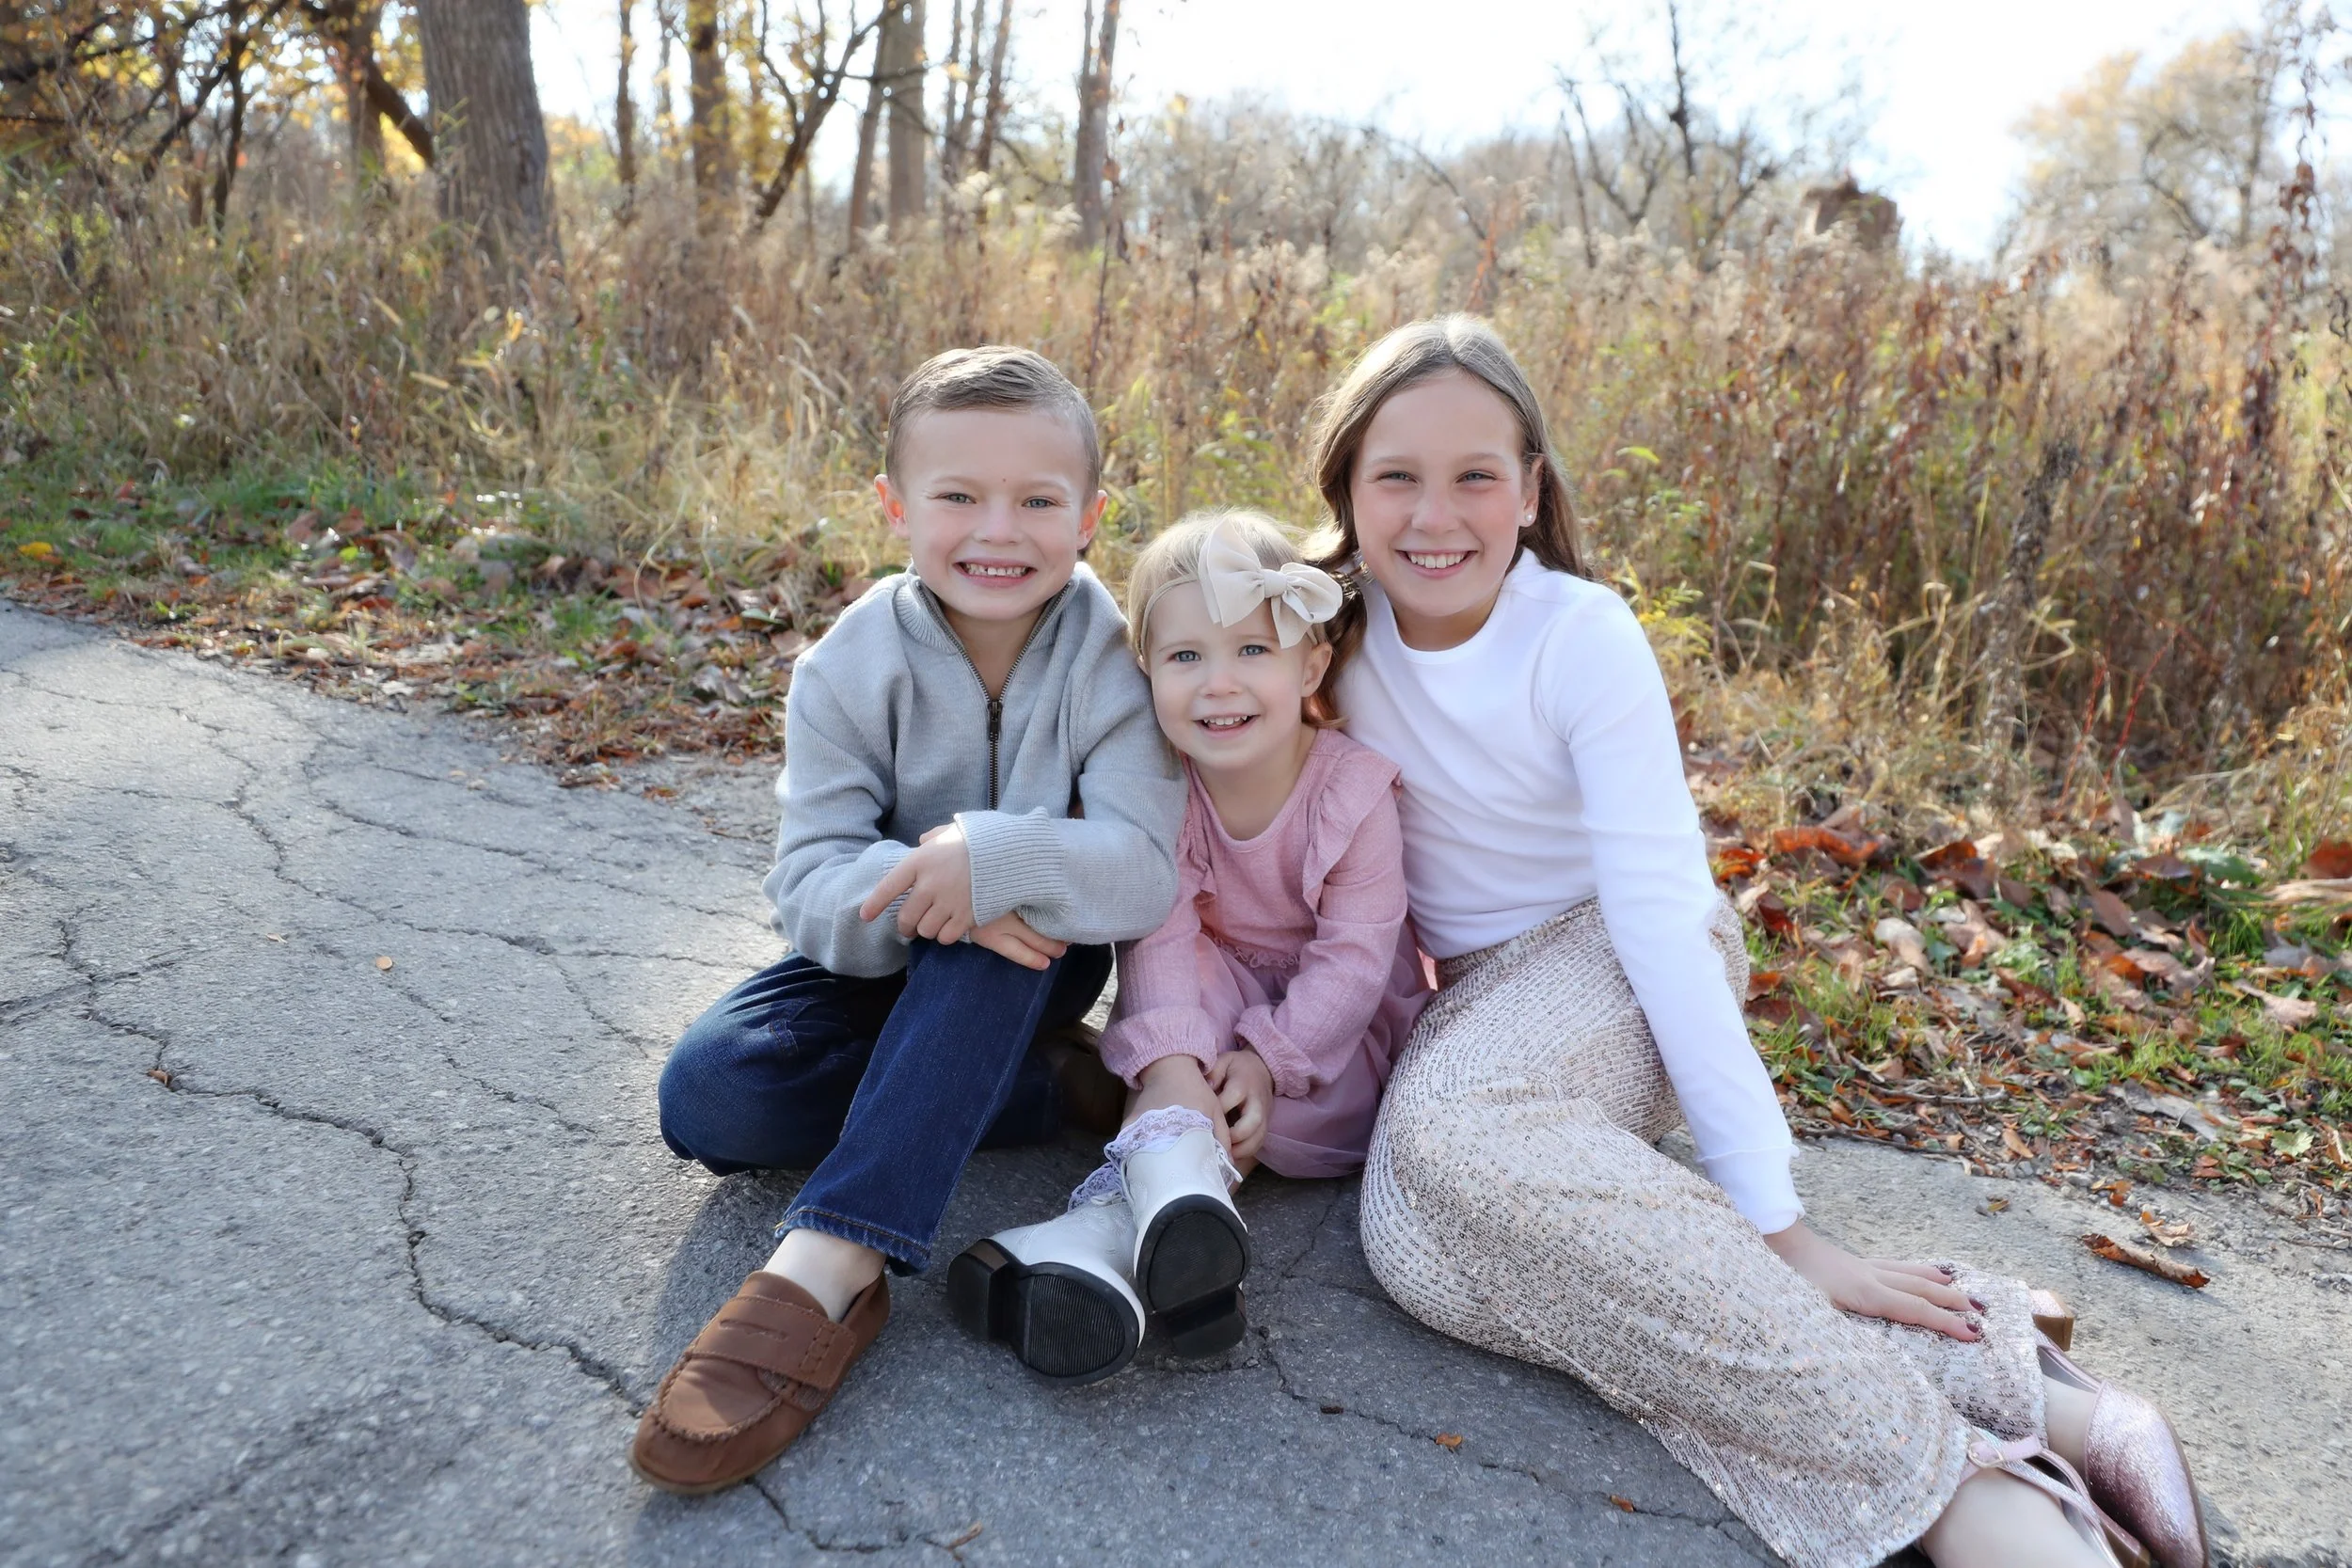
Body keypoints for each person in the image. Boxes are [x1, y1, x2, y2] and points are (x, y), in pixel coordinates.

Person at [1311, 316, 2208, 1568]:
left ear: (1530, 490)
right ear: (1346, 487)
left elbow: (1662, 919)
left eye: (1476, 474)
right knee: (1415, 1245)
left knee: (1448, 1141)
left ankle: (1965, 1485)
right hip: (1483, 1007)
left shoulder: (1579, 637)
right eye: (1396, 474)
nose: (1435, 512)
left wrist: (1775, 1217)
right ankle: (2016, 1374)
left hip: (1619, 956)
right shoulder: (1322, 637)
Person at [629, 346, 1186, 1496]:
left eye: (1037, 499)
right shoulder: (848, 665)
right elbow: (808, 881)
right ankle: (1038, 1089)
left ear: (1090, 515)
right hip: (871, 952)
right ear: (895, 506)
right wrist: (925, 891)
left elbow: (1141, 869)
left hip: (1030, 955)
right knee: (710, 1096)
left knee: (992, 940)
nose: (1000, 528)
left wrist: (993, 858)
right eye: (958, 496)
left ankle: (833, 1255)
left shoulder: (1113, 663)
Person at [947, 511, 1431, 1386]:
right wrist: (1172, 1063)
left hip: (1325, 1052)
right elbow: (1162, 935)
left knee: (1219, 1089)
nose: (1219, 684)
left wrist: (1270, 1060)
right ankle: (1170, 1235)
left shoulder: (1353, 793)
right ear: (1146, 674)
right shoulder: (1160, 787)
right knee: (1180, 1000)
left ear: (1310, 664)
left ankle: (1096, 1235)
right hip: (1204, 1024)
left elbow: (1356, 960)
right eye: (1185, 657)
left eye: (1253, 651)